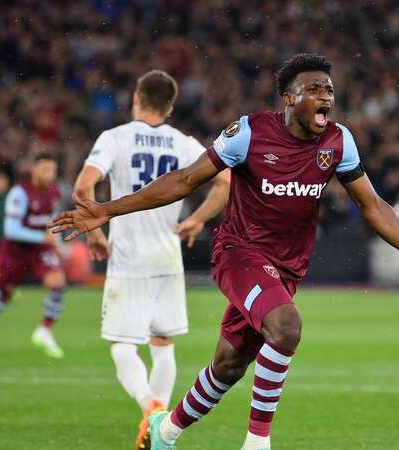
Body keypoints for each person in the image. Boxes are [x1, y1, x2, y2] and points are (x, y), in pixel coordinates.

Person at [50, 53, 399, 450]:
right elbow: (185, 181)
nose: (325, 98)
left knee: (228, 366)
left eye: (329, 91)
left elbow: (372, 207)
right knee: (286, 326)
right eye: (314, 89)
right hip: (239, 253)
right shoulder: (248, 133)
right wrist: (106, 210)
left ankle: (164, 434)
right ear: (288, 97)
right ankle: (257, 443)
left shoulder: (338, 142)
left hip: (285, 270)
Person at [71, 69, 230, 449]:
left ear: (136, 99)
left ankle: (151, 409)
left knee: (122, 345)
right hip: (167, 255)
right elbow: (225, 182)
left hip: (128, 257)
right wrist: (198, 219)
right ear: (171, 106)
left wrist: (95, 233)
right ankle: (158, 429)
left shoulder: (115, 138)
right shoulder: (183, 142)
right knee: (163, 344)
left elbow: (82, 186)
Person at [0, 154, 67, 365]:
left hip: (38, 251)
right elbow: (11, 230)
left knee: (57, 282)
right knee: (3, 297)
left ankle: (44, 330)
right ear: (34, 170)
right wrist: (43, 237)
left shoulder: (54, 193)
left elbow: (52, 222)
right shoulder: (19, 193)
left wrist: (58, 244)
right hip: (14, 252)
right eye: (44, 170)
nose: (49, 175)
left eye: (52, 170)